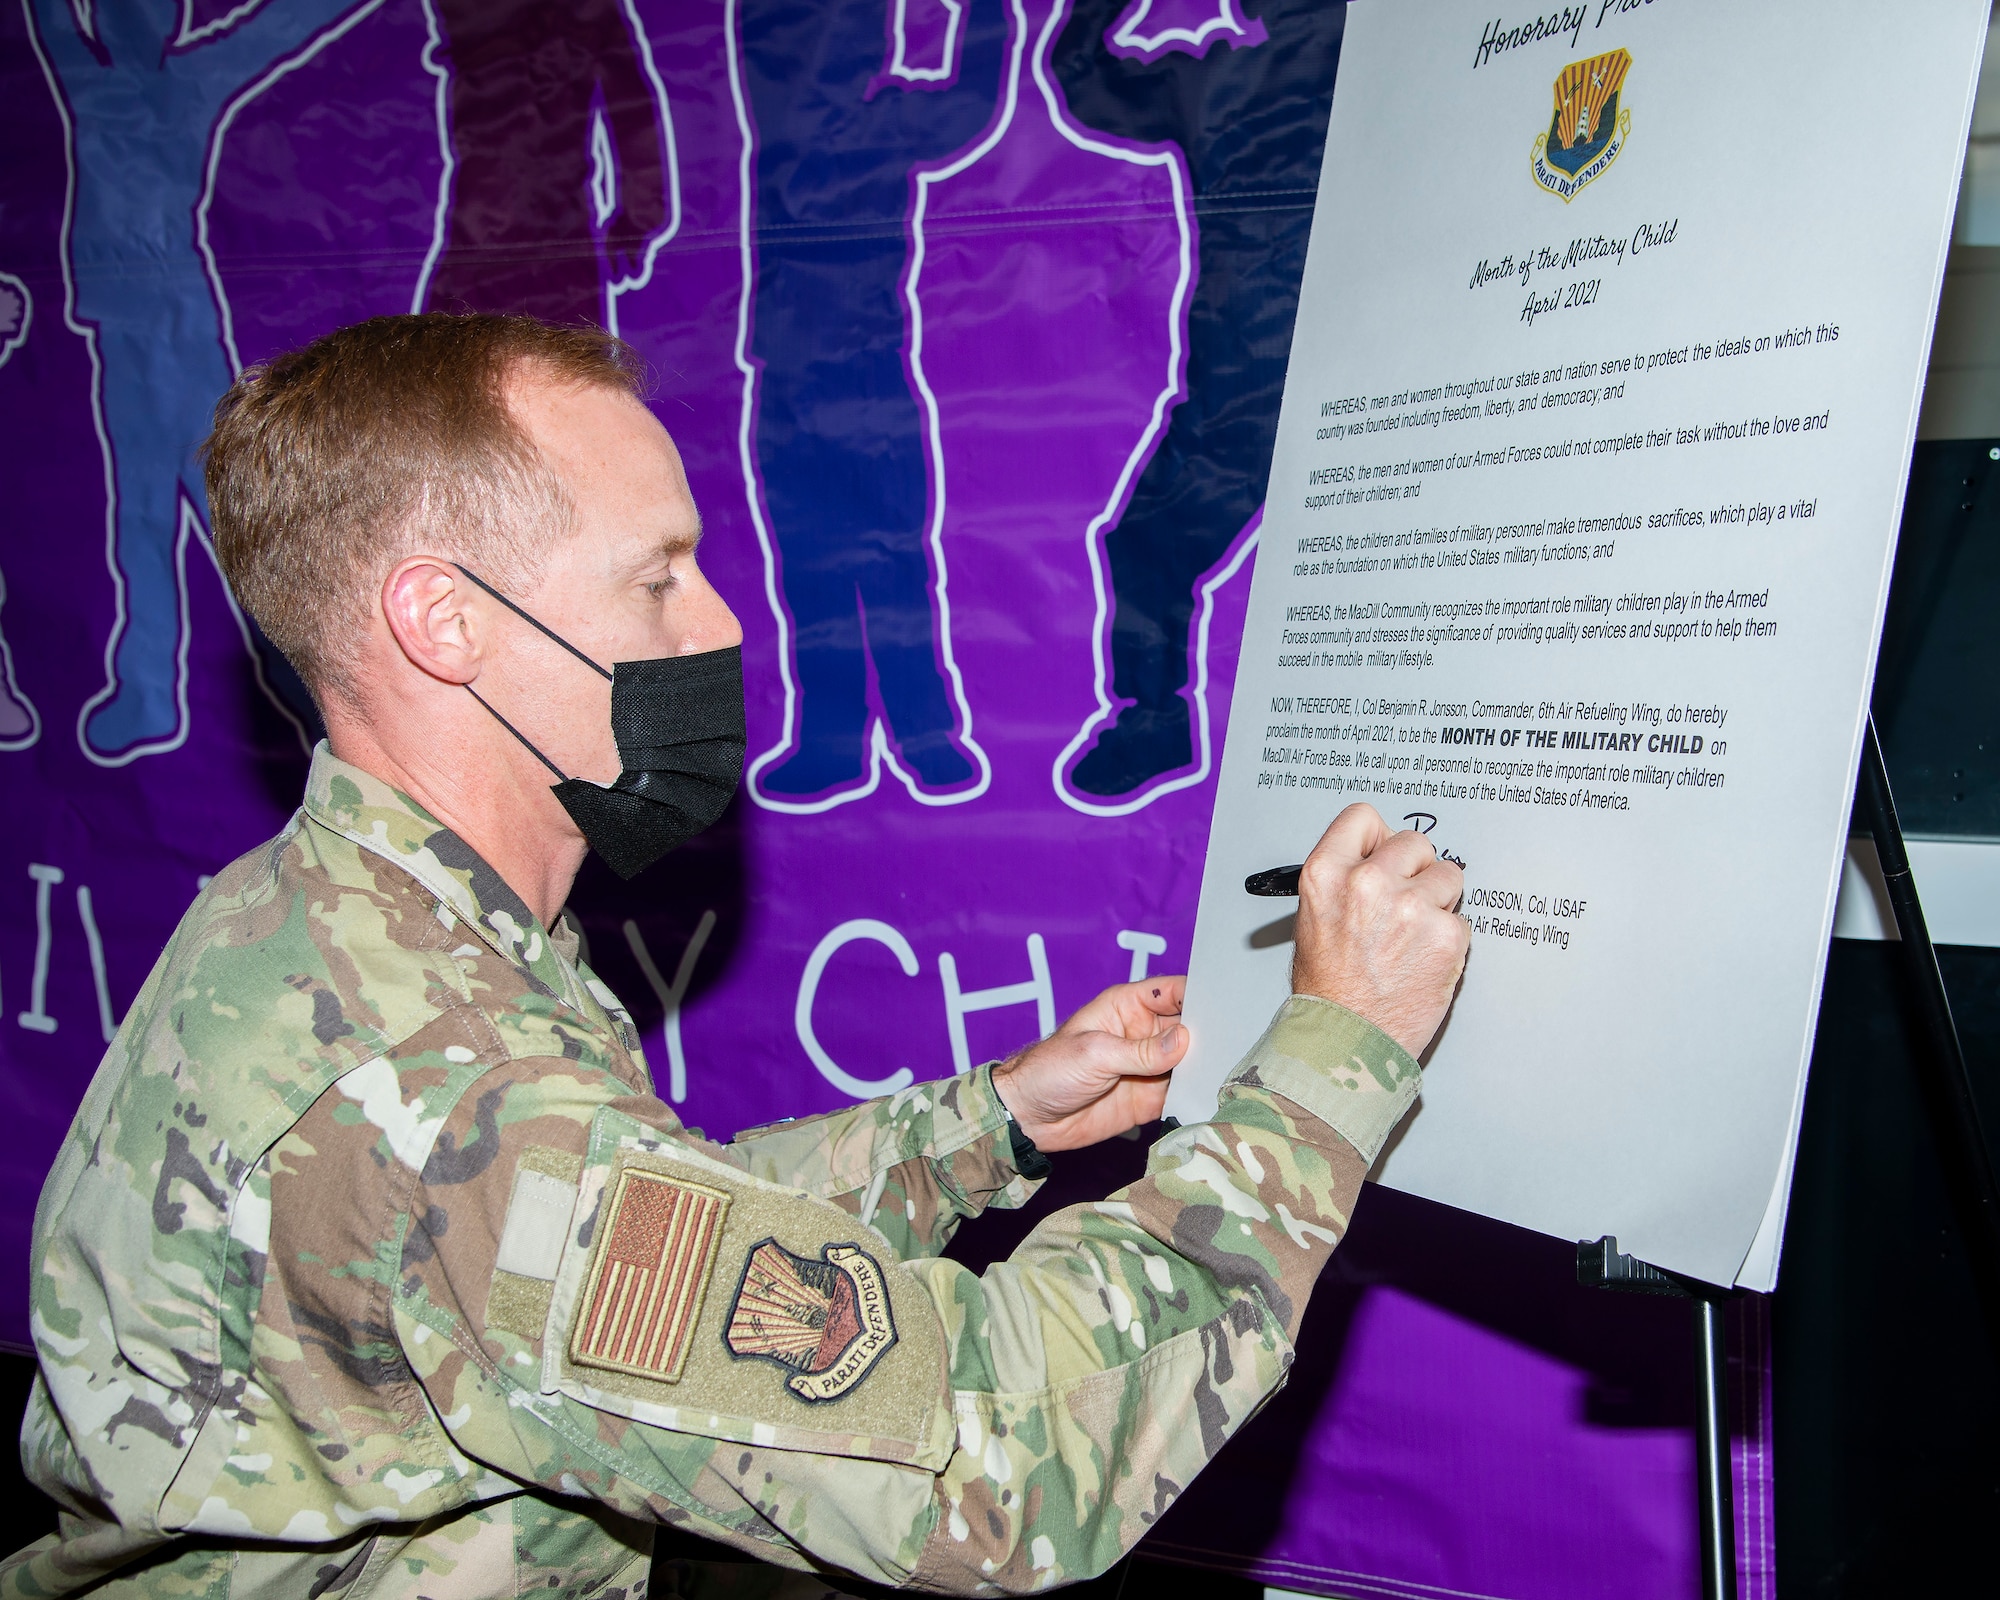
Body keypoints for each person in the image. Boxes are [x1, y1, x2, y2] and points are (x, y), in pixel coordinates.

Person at [3, 314, 1468, 1598]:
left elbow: (629, 1236)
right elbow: (1000, 1458)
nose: (721, 626)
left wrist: (987, 1126)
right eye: (658, 582)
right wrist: (1335, 1062)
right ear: (444, 622)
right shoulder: (443, 1092)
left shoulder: (353, 921)